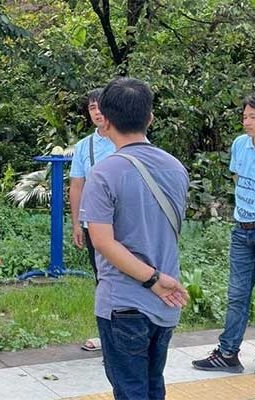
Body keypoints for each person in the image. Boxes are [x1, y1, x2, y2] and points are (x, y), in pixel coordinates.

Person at [80, 77, 189, 400]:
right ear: (150, 117)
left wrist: (151, 279)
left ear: (107, 121)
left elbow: (101, 241)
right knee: (153, 385)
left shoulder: (104, 173)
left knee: (129, 390)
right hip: (166, 301)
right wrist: (159, 281)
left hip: (123, 301)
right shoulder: (175, 167)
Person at [192, 95, 255, 377]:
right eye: (244, 117)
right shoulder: (240, 145)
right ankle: (228, 352)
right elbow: (237, 179)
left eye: (253, 117)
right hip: (241, 229)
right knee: (237, 294)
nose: (247, 122)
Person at [69, 88, 116, 352]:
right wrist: (77, 222)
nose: (97, 113)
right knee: (102, 278)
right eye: (91, 108)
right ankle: (106, 334)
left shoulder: (124, 138)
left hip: (124, 223)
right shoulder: (84, 145)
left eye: (100, 107)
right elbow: (77, 185)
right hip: (95, 224)